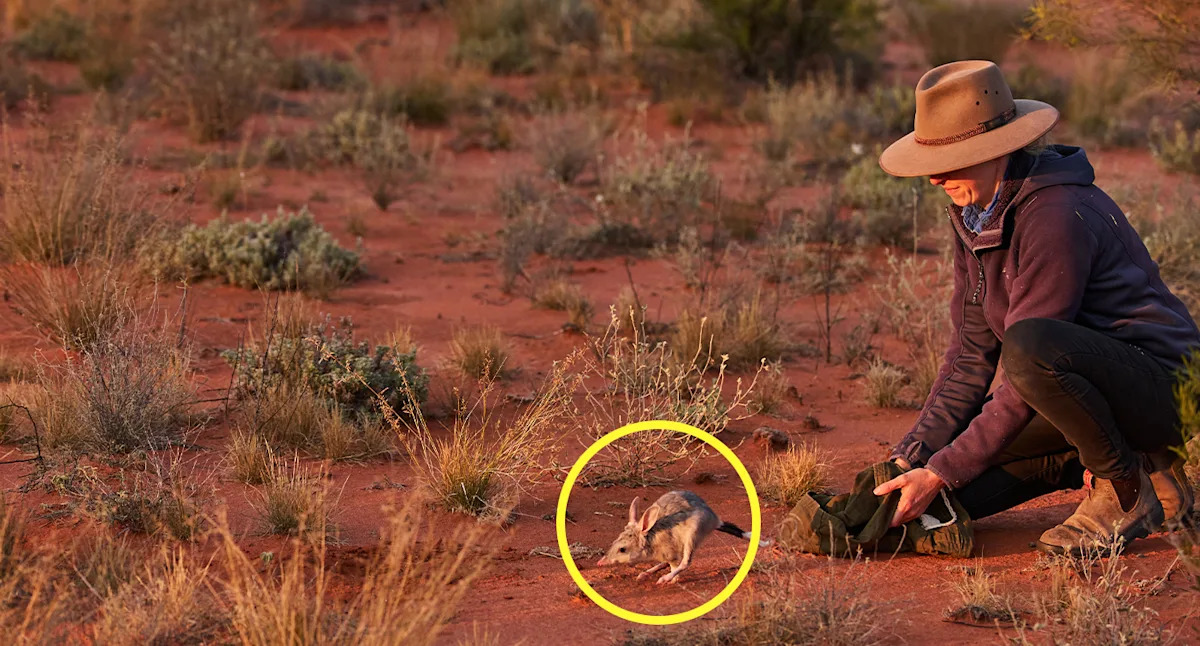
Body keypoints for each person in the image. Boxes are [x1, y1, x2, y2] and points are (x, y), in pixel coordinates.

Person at [870, 60, 1200, 555]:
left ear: (995, 150)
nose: (935, 179)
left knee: (1028, 347)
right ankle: (1143, 468)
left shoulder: (1055, 214)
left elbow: (1032, 360)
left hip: (1164, 392)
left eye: (951, 160)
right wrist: (912, 458)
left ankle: (1125, 489)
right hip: (1082, 395)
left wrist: (940, 471)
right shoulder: (975, 215)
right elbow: (968, 358)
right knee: (936, 505)